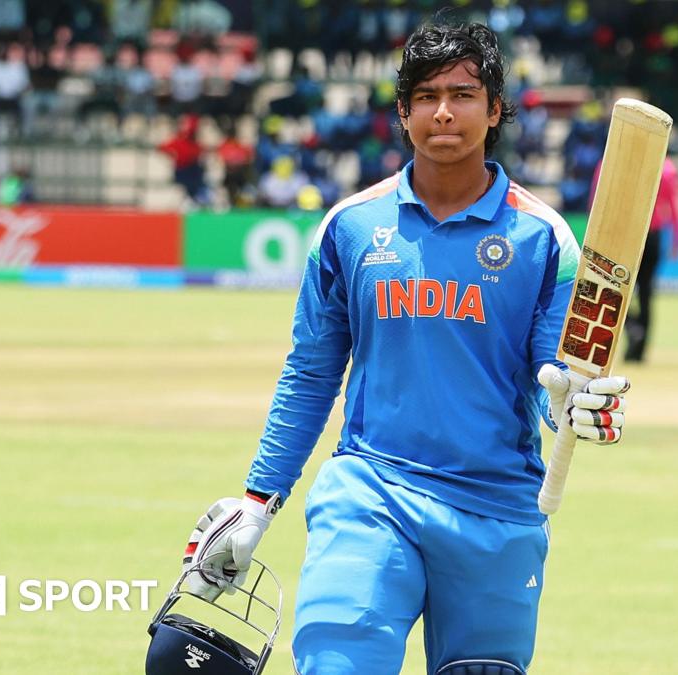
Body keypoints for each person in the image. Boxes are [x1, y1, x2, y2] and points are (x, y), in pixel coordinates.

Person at [179, 20, 632, 675]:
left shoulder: (544, 240)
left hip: (497, 510)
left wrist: (573, 407)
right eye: (425, 96)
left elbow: (550, 378)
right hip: (370, 493)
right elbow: (310, 372)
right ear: (403, 111)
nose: (443, 111)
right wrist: (258, 500)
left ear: (496, 108)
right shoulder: (350, 227)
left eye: (462, 93)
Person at [589, 156, 678, 362]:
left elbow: (597, 199)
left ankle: (632, 327)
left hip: (624, 234)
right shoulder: (666, 167)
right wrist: (677, 240)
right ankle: (639, 351)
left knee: (613, 291)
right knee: (647, 292)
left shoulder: (614, 158)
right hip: (654, 233)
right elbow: (675, 207)